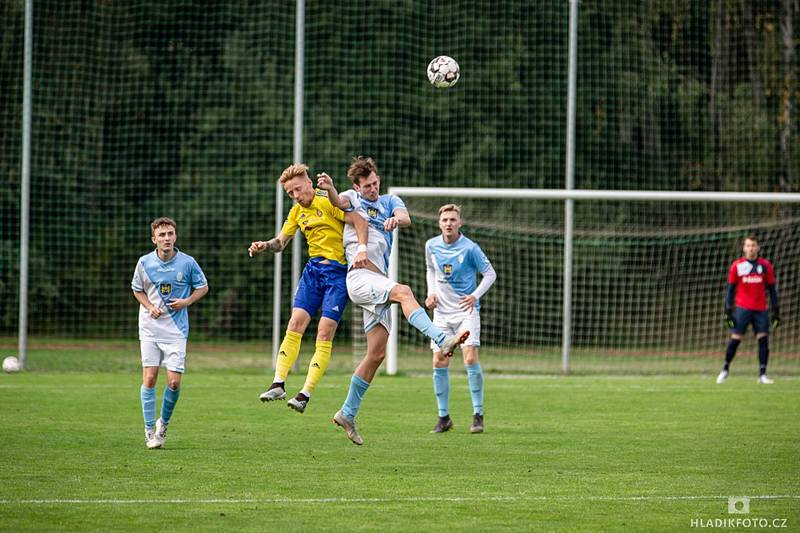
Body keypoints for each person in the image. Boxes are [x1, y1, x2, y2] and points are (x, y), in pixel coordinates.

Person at [319, 156, 470, 445]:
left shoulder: (390, 200)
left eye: (375, 183)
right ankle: (442, 339)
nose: (373, 189)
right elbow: (338, 202)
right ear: (357, 186)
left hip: (378, 280)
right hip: (360, 277)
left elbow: (405, 218)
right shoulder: (351, 197)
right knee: (404, 292)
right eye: (367, 186)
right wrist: (329, 188)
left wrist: (394, 219)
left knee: (376, 354)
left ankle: (347, 413)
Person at [250, 163, 368, 413]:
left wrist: (362, 249)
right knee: (295, 324)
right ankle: (278, 383)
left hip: (337, 274)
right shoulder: (296, 213)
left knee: (324, 333)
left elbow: (357, 219)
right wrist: (264, 245)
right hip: (313, 272)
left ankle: (305, 394)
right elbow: (281, 243)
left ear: (308, 185)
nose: (295, 196)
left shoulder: (327, 201)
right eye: (290, 194)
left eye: (297, 190)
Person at [131, 217, 209, 449]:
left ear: (175, 236)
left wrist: (187, 301)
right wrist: (150, 307)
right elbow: (137, 290)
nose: (167, 238)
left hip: (176, 330)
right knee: (150, 378)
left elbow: (203, 287)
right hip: (150, 328)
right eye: (162, 235)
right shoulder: (144, 263)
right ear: (154, 239)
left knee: (173, 383)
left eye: (170, 234)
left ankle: (162, 426)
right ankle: (148, 430)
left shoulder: (187, 263)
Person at [424, 204, 496, 434]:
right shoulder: (431, 245)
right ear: (439, 223)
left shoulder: (470, 248)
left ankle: (478, 415)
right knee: (439, 362)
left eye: (453, 219)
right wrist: (430, 292)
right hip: (442, 314)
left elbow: (490, 273)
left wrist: (475, 296)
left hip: (466, 312)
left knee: (470, 358)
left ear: (459, 223)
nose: (448, 223)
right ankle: (443, 418)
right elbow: (430, 269)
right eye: (445, 219)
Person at [717, 234, 780, 385]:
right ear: (744, 248)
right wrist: (728, 311)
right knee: (735, 339)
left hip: (761, 310)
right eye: (748, 245)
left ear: (758, 247)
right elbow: (731, 290)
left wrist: (776, 310)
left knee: (763, 339)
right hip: (742, 309)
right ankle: (725, 369)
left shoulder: (765, 266)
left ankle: (762, 375)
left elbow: (772, 290)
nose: (751, 248)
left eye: (753, 245)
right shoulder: (737, 266)